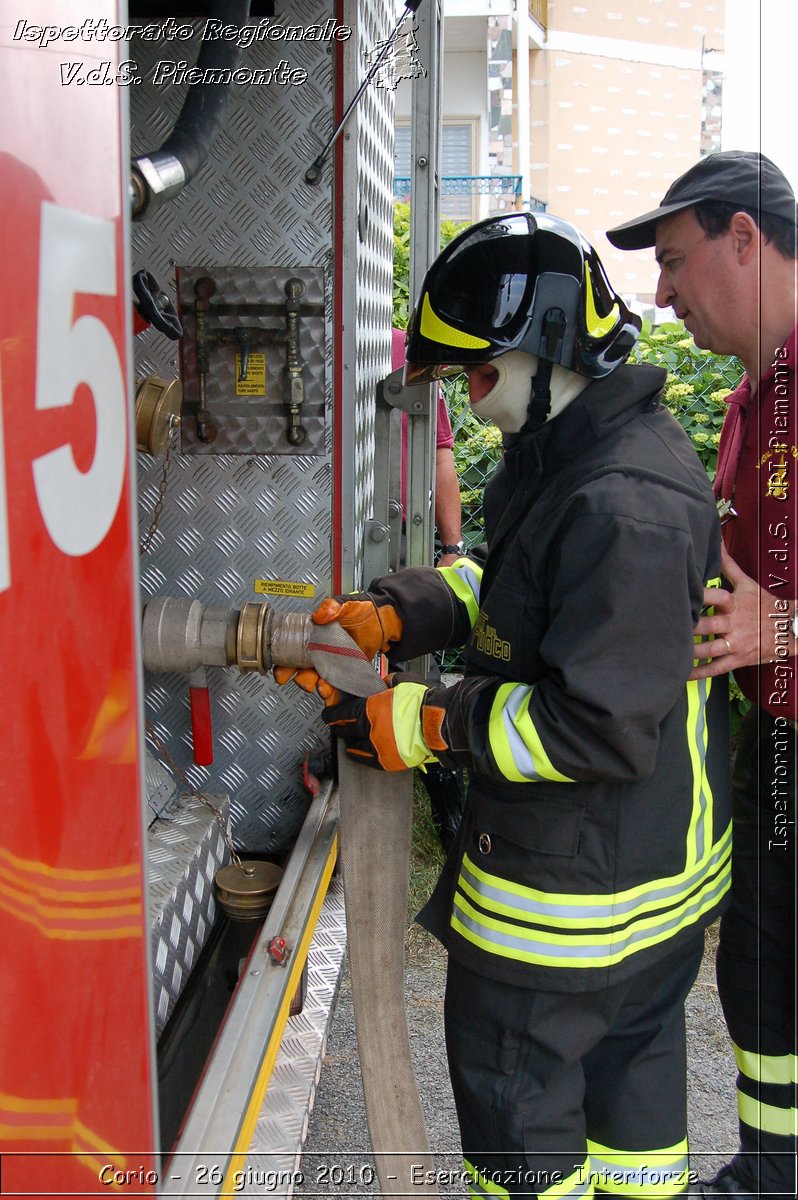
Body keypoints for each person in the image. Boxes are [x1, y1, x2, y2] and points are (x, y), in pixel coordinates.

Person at [289, 212, 732, 1198]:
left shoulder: (626, 501)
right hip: (637, 904)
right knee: (636, 1146)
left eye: (478, 377)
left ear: (550, 351)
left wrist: (417, 722)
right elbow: (530, 594)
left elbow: (590, 725)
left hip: (569, 914)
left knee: (519, 1146)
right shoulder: (577, 453)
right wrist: (403, 613)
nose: (469, 400)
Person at [607, 150, 798, 1200]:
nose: (663, 293)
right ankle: (776, 1171)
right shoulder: (751, 402)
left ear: (743, 238)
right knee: (764, 985)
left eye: (676, 262)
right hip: (773, 747)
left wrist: (791, 628)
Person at [394, 325, 466, 852]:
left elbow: (441, 454)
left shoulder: (406, 354)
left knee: (421, 666)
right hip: (321, 535)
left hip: (402, 535)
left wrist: (452, 547)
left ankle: (448, 808)